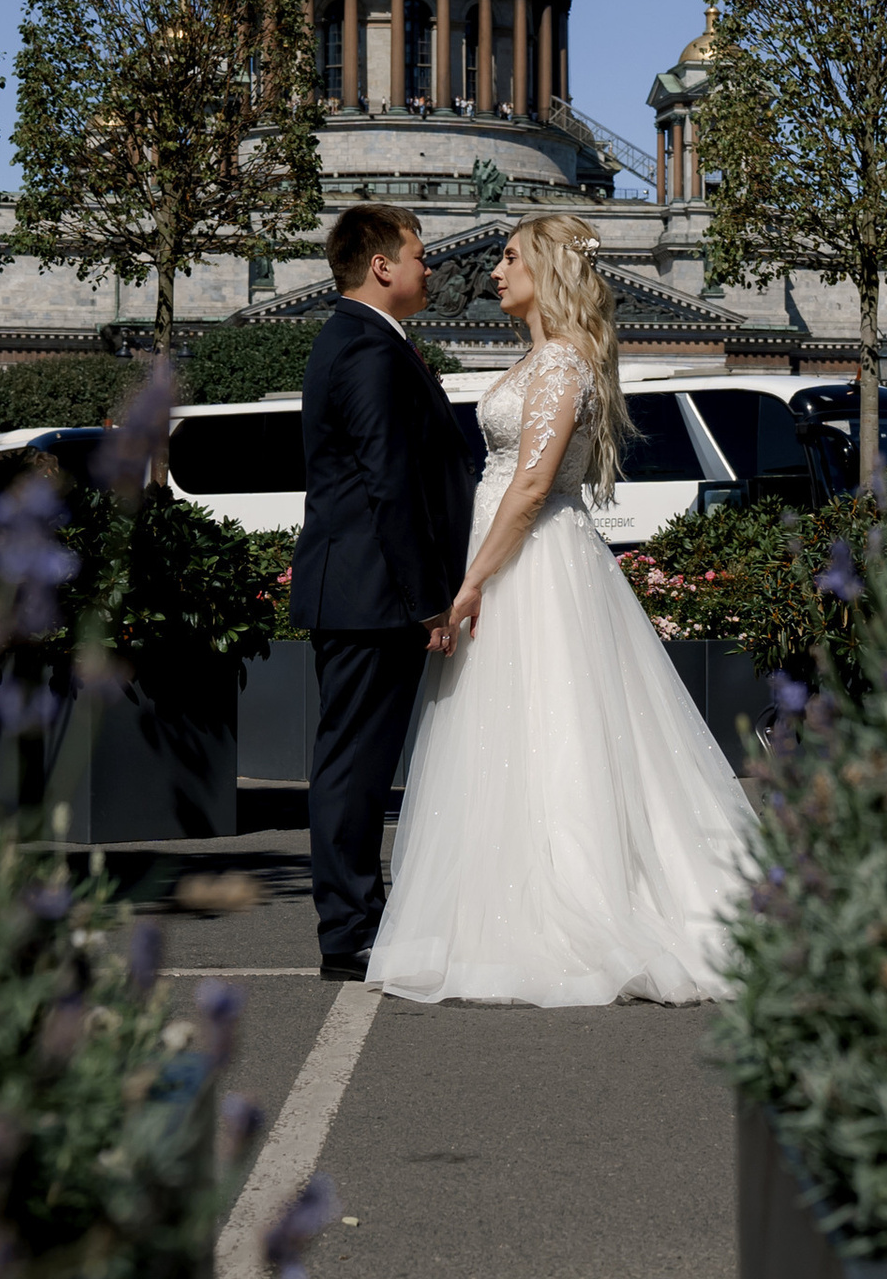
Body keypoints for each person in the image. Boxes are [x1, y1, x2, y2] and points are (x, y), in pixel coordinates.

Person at [368, 212, 757, 1006]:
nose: (495, 271)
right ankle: (502, 905)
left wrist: (472, 583)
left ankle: (562, 902)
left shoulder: (560, 364)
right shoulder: (543, 359)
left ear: (546, 270)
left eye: (510, 258)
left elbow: (533, 486)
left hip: (533, 563)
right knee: (513, 729)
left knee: (549, 723)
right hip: (520, 556)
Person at [288, 204, 477, 982]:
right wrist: (428, 599)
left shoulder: (365, 339)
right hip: (369, 594)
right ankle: (348, 931)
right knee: (355, 767)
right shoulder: (367, 347)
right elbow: (387, 482)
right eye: (420, 255)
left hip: (364, 589)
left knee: (359, 764)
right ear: (381, 266)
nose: (430, 269)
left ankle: (359, 917)